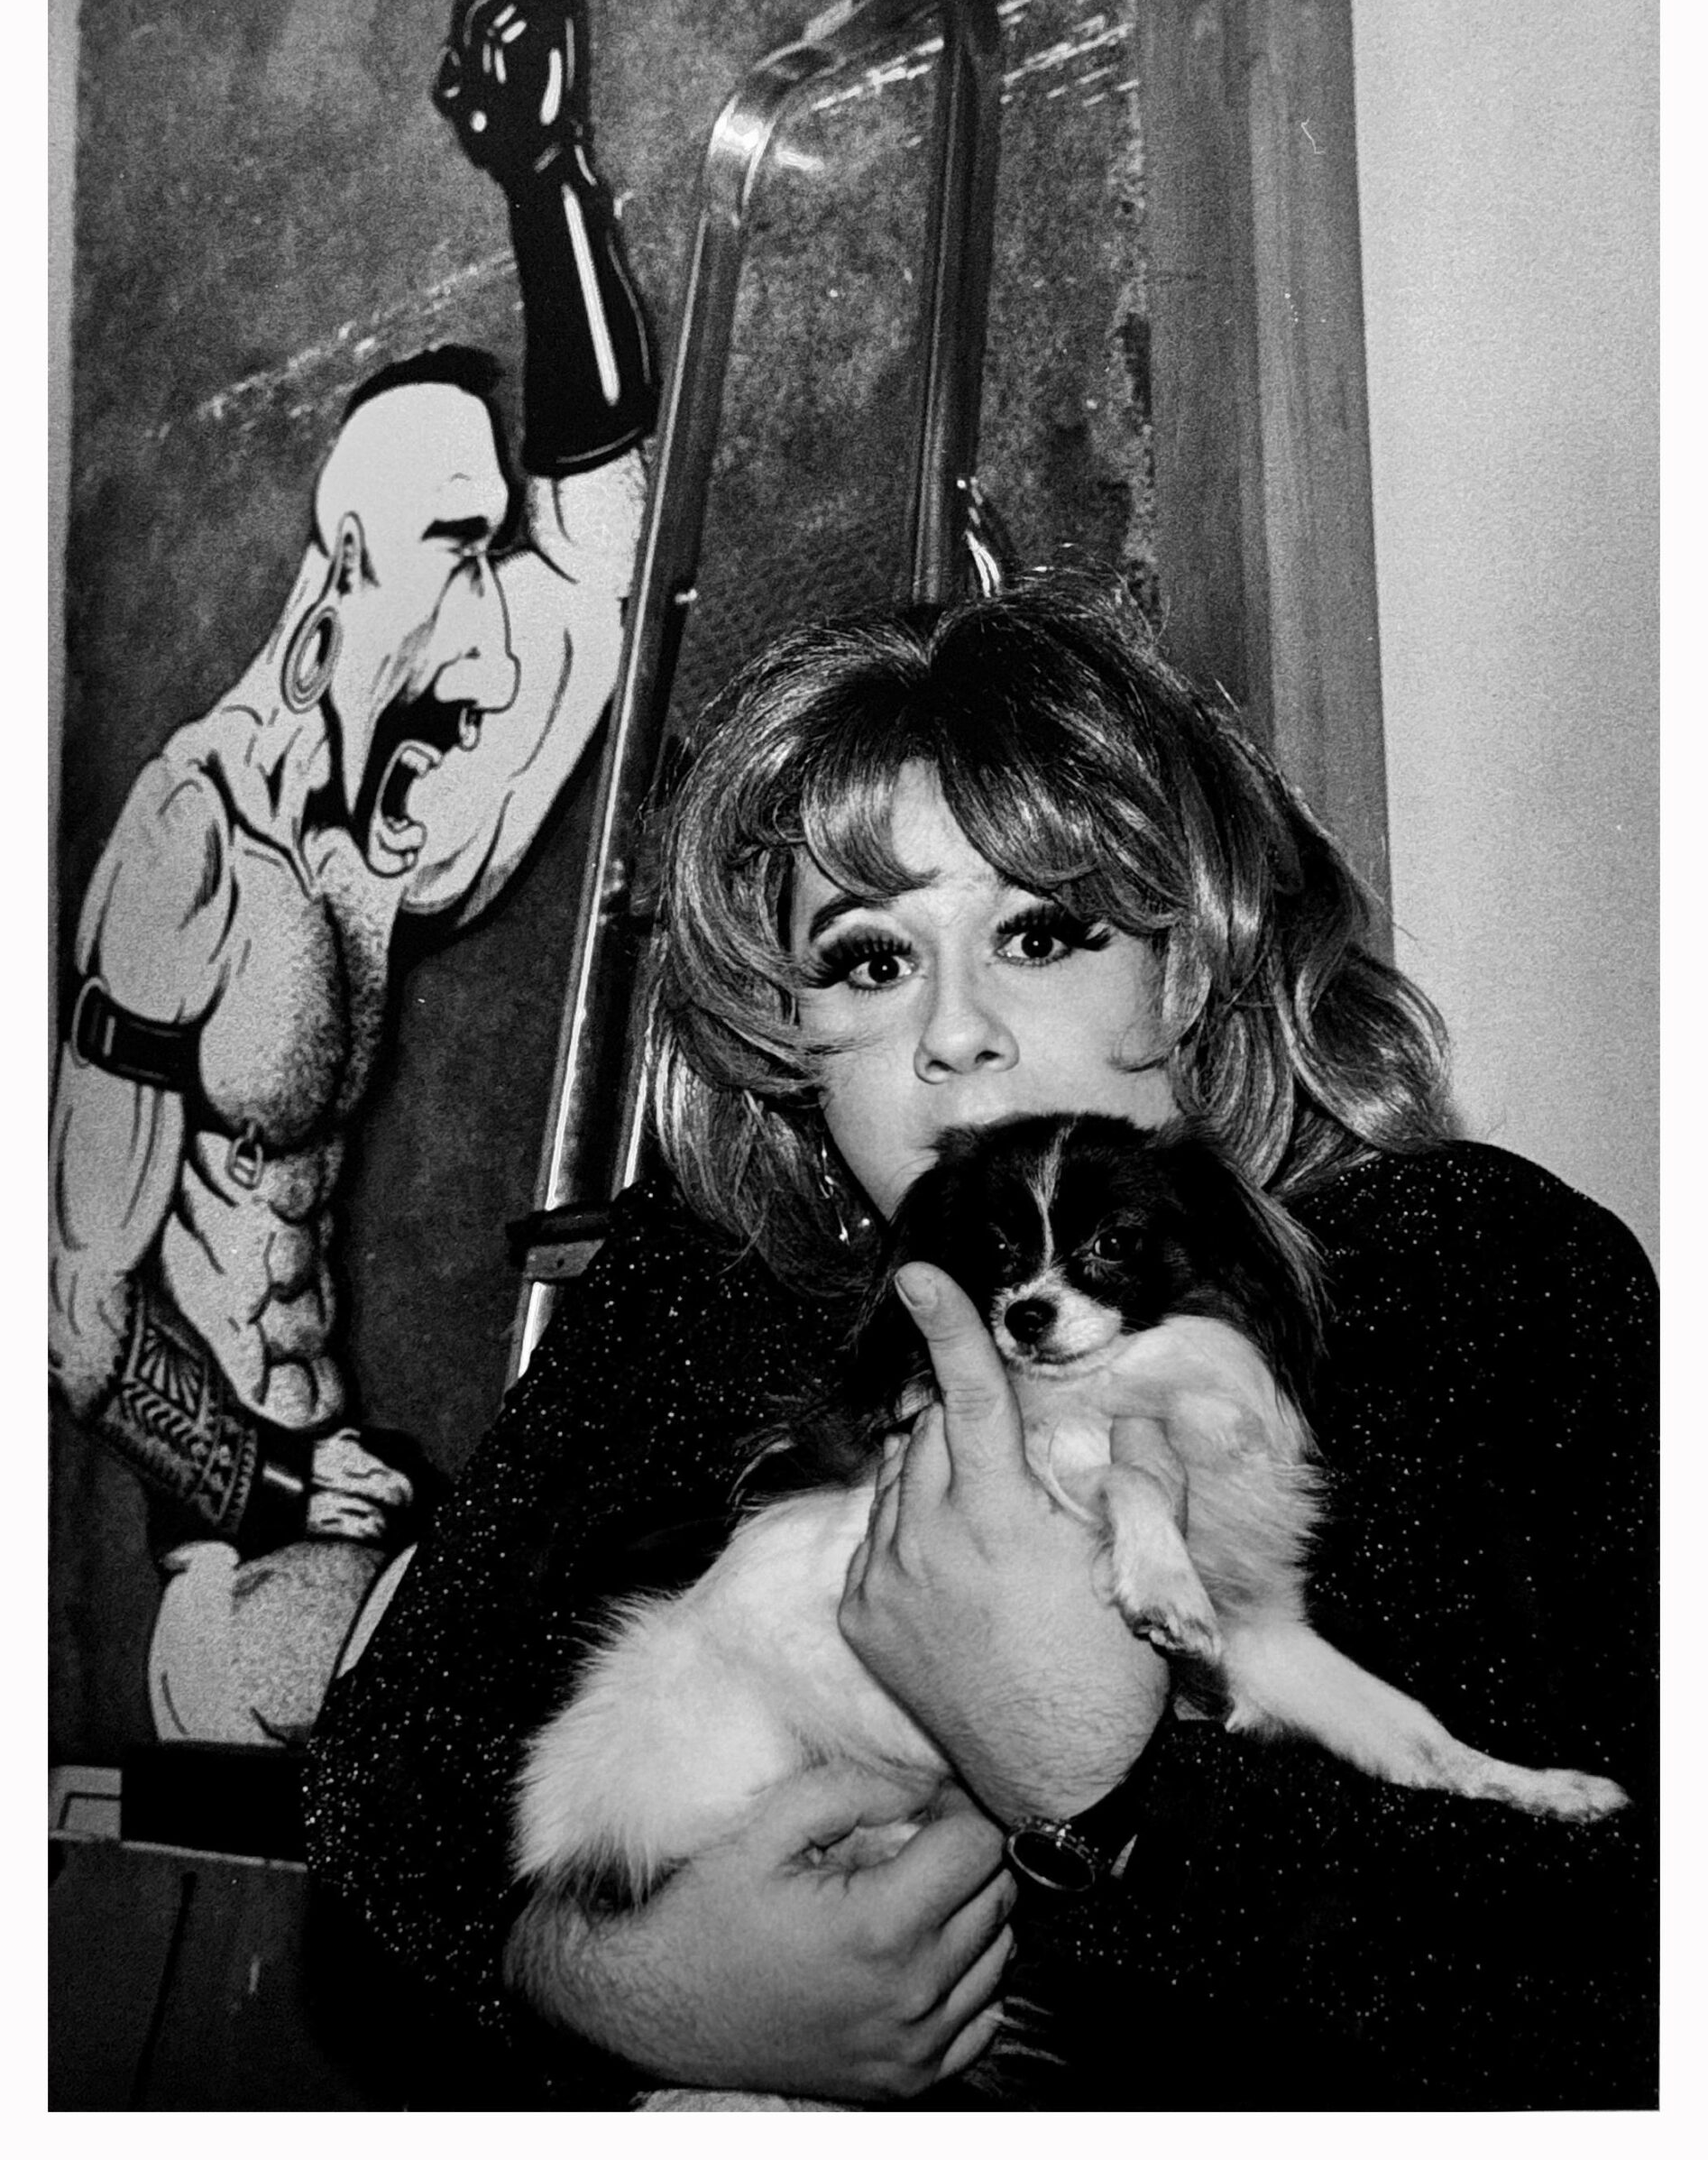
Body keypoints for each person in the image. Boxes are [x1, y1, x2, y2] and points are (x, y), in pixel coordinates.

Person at [303, 577, 1657, 2109]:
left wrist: (1102, 1787)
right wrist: (613, 1983)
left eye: (1042, 931)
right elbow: (385, 1814)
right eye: (869, 961)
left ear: (1191, 962)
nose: (956, 1031)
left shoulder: (1462, 1269)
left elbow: (1620, 1972)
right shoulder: (718, 1278)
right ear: (788, 1036)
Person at [50, 0, 657, 1739]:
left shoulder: (387, 840)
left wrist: (546, 182)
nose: (490, 623)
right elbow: (60, 1298)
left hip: (343, 1510)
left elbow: (600, 562)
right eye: (457, 553)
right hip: (229, 1582)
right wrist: (270, 1480)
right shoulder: (189, 836)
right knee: (536, 1701)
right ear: (342, 582)